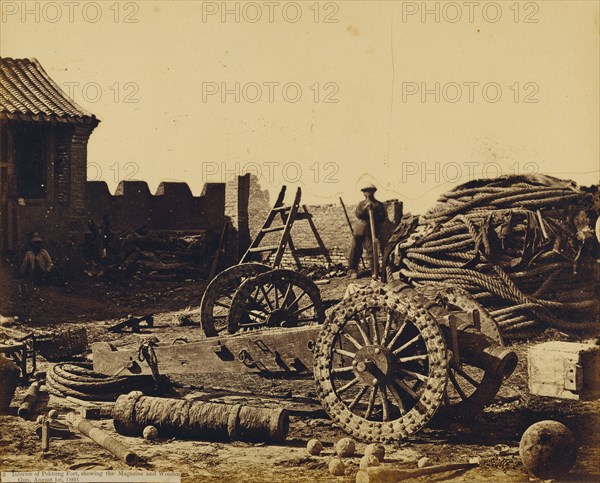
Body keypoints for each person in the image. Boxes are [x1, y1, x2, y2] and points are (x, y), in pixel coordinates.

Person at [348, 183, 387, 278]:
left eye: (370, 190)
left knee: (371, 251)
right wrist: (366, 208)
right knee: (355, 250)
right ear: (363, 193)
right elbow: (358, 214)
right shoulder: (361, 204)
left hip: (370, 231)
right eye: (365, 191)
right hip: (358, 230)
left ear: (374, 192)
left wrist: (374, 212)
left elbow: (382, 218)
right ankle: (352, 270)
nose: (368, 193)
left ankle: (375, 271)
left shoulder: (379, 204)